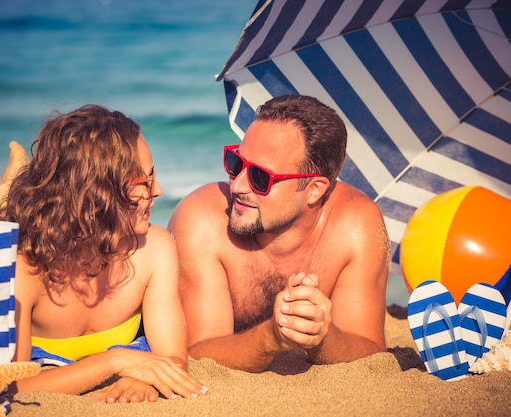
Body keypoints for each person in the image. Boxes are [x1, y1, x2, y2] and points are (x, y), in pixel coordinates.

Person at [0, 104, 208, 402]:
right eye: (146, 179)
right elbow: (13, 384)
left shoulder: (154, 248)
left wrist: (142, 377)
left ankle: (7, 186)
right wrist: (114, 361)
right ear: (98, 194)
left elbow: (172, 358)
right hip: (23, 263)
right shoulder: (23, 267)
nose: (159, 190)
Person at [167, 94, 390, 372]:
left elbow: (370, 350)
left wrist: (322, 338)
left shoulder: (356, 225)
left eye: (260, 177)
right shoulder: (201, 221)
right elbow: (196, 350)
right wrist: (271, 337)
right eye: (236, 163)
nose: (237, 186)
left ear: (314, 189)